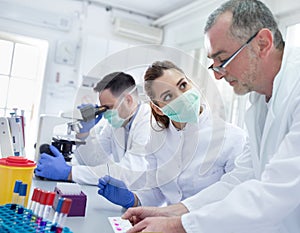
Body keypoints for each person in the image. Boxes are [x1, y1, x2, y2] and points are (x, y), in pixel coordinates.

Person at [122, 0, 300, 233]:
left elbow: (274, 193)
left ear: (262, 43)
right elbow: (239, 180)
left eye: (223, 59)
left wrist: (179, 225)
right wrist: (170, 212)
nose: (217, 76)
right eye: (213, 64)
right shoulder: (258, 102)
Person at [97, 60, 248, 209]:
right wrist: (133, 200)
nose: (181, 96)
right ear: (157, 108)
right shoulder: (157, 140)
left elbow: (235, 198)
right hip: (169, 225)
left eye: (183, 85)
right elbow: (155, 191)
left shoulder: (232, 138)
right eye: (168, 96)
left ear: (191, 83)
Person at [35, 72, 151, 186]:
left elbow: (128, 173)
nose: (106, 113)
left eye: (109, 107)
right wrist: (83, 134)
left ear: (128, 100)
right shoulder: (116, 124)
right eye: (103, 108)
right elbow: (94, 161)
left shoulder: (148, 122)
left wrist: (70, 173)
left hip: (148, 198)